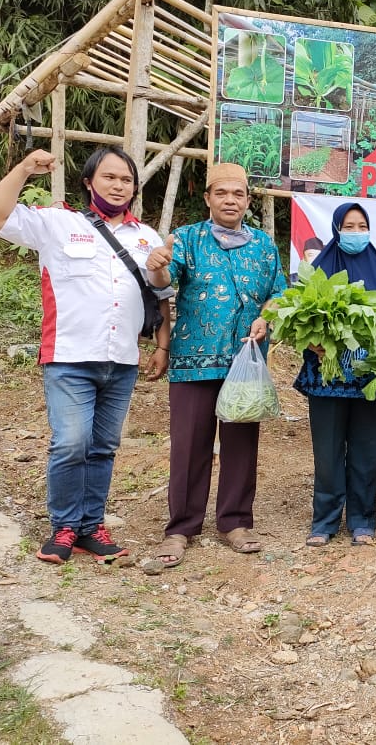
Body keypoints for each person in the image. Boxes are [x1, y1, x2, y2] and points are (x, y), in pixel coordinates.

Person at [0, 146, 172, 564]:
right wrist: (25, 169)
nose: (119, 186)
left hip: (121, 359)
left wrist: (161, 342)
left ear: (135, 188)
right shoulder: (56, 223)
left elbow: (159, 289)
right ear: (89, 182)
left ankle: (91, 526)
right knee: (71, 443)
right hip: (68, 356)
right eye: (109, 177)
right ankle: (64, 527)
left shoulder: (145, 236)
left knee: (103, 446)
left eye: (126, 180)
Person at [145, 162, 287, 567]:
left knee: (242, 443)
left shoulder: (263, 245)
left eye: (238, 194)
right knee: (190, 445)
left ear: (247, 200)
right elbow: (164, 282)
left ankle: (236, 520)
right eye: (221, 193)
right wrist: (156, 266)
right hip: (193, 360)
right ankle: (181, 527)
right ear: (207, 198)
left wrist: (267, 316)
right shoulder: (188, 239)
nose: (230, 200)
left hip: (246, 361)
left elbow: (278, 294)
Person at [294, 203, 376, 547]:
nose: (355, 232)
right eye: (348, 226)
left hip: (367, 379)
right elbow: (300, 320)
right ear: (336, 229)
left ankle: (362, 521)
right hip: (326, 380)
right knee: (327, 453)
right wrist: (313, 341)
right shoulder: (320, 268)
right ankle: (324, 522)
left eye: (361, 226)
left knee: (365, 450)